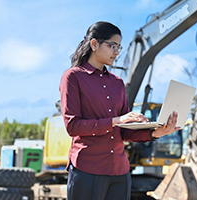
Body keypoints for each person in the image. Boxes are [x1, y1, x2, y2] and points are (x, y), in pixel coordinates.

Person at [59, 21, 181, 200]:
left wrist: (156, 133)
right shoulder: (73, 77)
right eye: (112, 46)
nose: (117, 52)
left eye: (119, 47)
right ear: (94, 44)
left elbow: (124, 132)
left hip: (120, 172)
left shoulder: (118, 83)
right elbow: (73, 126)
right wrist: (116, 120)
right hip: (87, 169)